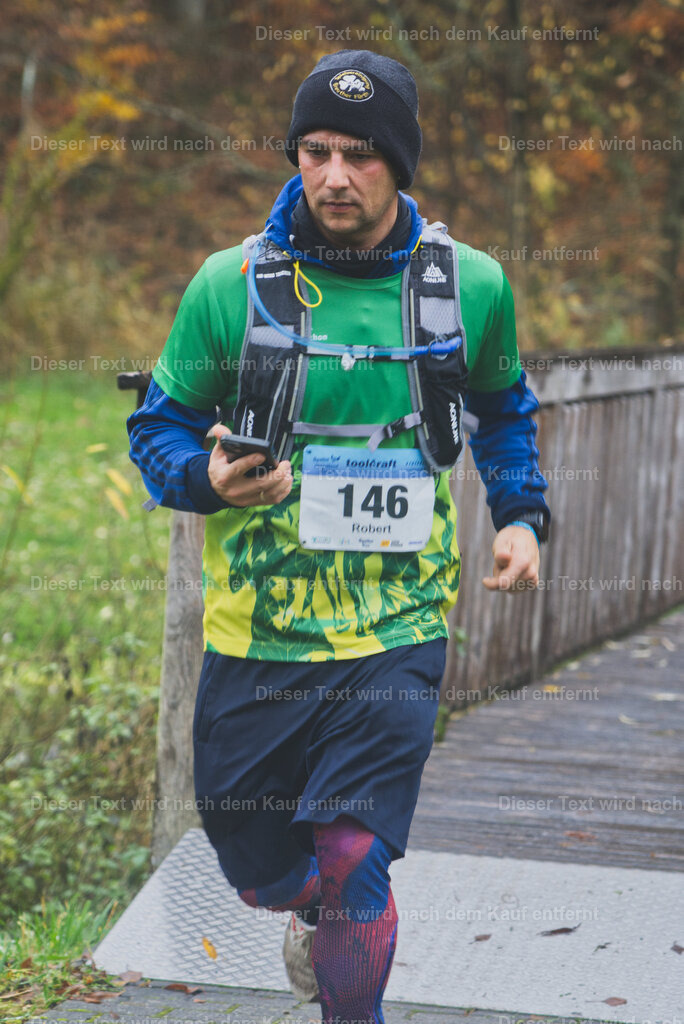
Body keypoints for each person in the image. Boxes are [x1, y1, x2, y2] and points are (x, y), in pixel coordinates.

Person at [128, 49, 550, 1023]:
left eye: (360, 154)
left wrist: (521, 516)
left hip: (397, 625)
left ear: (400, 164)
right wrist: (208, 477)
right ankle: (308, 906)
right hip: (257, 636)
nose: (333, 175)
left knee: (356, 854)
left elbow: (505, 407)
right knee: (259, 865)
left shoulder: (472, 288)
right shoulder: (226, 286)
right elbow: (158, 427)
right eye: (314, 150)